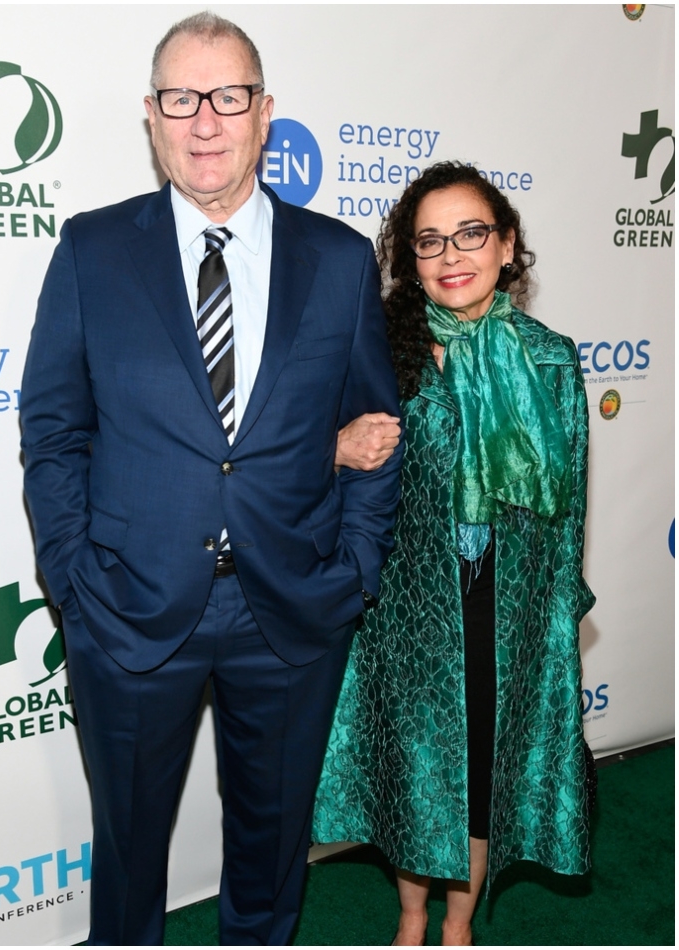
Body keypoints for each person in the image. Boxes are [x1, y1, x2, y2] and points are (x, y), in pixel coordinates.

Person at [19, 12, 402, 947]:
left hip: (292, 611)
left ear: (265, 113)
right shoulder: (91, 250)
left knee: (271, 863)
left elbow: (379, 433)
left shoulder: (342, 260)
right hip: (128, 609)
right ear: (150, 116)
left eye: (228, 98)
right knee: (129, 857)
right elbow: (54, 430)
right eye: (182, 99)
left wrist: (351, 575)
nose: (205, 123)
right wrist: (74, 579)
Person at [314, 161, 595, 946]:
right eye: (429, 240)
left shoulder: (551, 359)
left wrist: (558, 613)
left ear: (507, 246)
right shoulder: (383, 356)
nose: (451, 255)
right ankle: (410, 919)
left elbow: (569, 500)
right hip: (410, 608)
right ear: (411, 259)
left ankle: (460, 926)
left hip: (511, 607)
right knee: (418, 766)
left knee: (483, 774)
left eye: (470, 233)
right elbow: (340, 475)